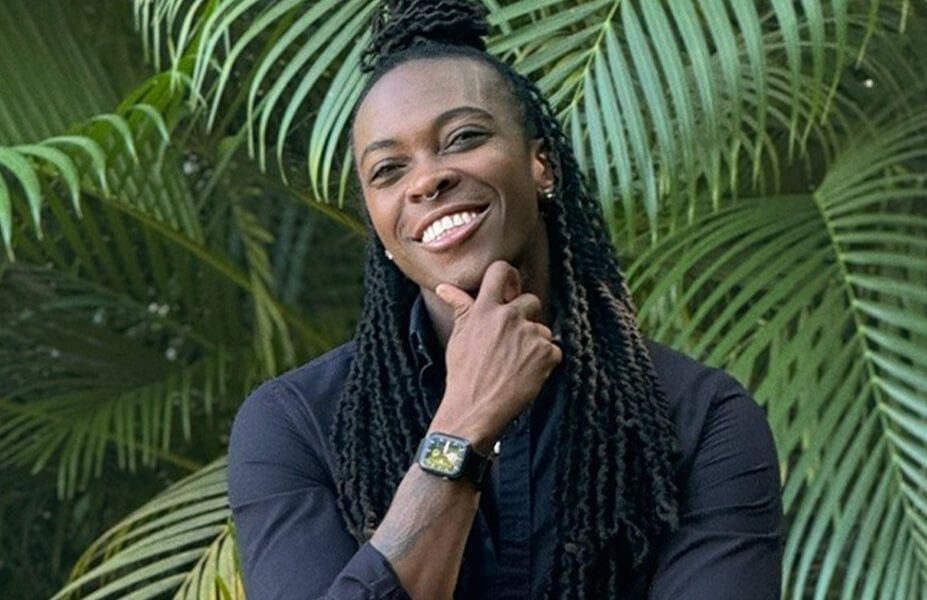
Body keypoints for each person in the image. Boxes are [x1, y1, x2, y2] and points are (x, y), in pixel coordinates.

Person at [227, 1, 783, 598]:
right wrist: (463, 424)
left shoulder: (701, 419)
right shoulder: (295, 427)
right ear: (378, 226)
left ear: (542, 165)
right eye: (388, 170)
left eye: (463, 138)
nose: (426, 180)